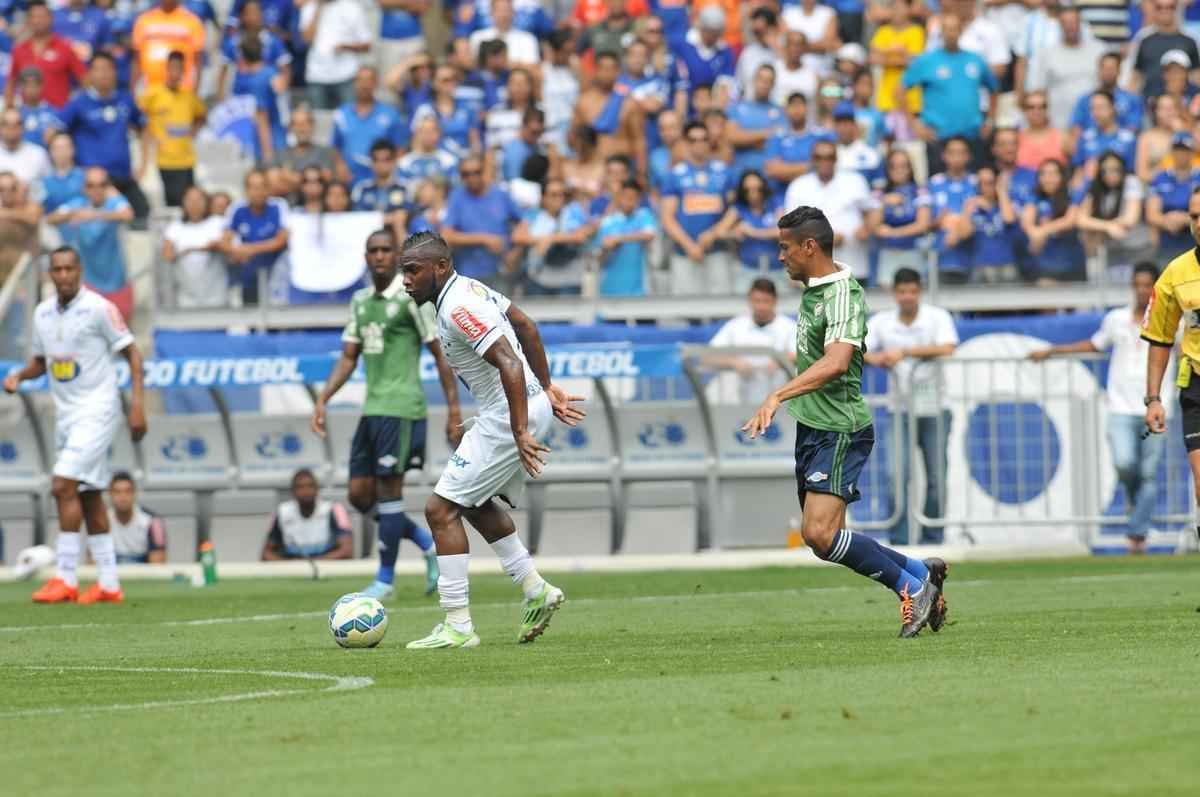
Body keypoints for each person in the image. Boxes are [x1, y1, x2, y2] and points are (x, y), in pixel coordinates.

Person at [741, 206, 945, 638]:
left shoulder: (843, 295)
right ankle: (918, 571)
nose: (780, 257)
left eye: (785, 248)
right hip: (814, 426)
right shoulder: (816, 291)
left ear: (809, 246)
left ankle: (912, 588)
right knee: (823, 539)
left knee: (819, 533)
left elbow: (836, 363)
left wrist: (778, 393)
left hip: (840, 426)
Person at [396, 230, 584, 649]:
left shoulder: (457, 307)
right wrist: (548, 388)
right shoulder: (469, 288)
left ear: (440, 267)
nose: (406, 280)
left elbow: (509, 362)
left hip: (508, 416)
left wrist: (518, 429)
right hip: (518, 408)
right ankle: (535, 589)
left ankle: (458, 626)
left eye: (412, 271)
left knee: (440, 510)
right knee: (474, 504)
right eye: (403, 272)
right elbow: (526, 325)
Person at [311, 228, 460, 594]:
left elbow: (440, 355)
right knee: (359, 495)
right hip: (372, 409)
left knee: (390, 493)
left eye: (385, 250)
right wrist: (323, 398)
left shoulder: (412, 299)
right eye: (372, 250)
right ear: (366, 258)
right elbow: (349, 357)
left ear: (395, 257)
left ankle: (385, 579)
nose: (378, 256)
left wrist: (453, 408)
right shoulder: (361, 302)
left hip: (403, 408)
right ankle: (425, 544)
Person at [3, 245, 146, 604]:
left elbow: (132, 352)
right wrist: (20, 375)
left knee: (63, 484)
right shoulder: (43, 314)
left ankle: (65, 577)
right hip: (66, 415)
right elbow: (42, 362)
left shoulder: (99, 308)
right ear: (50, 274)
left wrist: (138, 407)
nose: (64, 275)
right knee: (89, 495)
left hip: (97, 410)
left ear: (80, 270)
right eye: (58, 270)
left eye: (69, 269)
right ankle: (110, 584)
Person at [1034, 263, 1165, 554]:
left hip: (1156, 405)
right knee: (1124, 463)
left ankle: (1137, 534)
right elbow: (1094, 345)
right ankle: (1137, 513)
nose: (1142, 290)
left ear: (1156, 287)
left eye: (1148, 284)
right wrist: (1053, 351)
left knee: (1149, 473)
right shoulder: (1116, 319)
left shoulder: (1170, 317)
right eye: (1138, 284)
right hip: (1120, 405)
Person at [863, 268, 958, 545]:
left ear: (920, 292)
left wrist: (905, 352)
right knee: (896, 474)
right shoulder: (882, 321)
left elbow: (948, 348)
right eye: (902, 292)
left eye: (913, 291)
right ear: (895, 293)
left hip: (936, 406)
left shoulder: (937, 317)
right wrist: (877, 359)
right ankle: (900, 540)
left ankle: (932, 539)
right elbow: (859, 349)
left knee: (937, 478)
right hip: (899, 408)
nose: (907, 297)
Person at [1144, 191, 1200, 547]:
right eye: (1194, 216)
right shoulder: (1176, 274)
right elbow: (1159, 337)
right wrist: (1153, 398)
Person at [56, 52, 151, 223]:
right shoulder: (79, 103)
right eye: (98, 69)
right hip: (93, 182)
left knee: (142, 213)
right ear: (90, 74)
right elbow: (54, 132)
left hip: (123, 177)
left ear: (115, 72)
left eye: (108, 69)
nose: (103, 74)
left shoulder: (125, 100)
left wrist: (143, 165)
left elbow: (143, 127)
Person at [900, 12, 997, 175]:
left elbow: (994, 89)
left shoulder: (975, 60)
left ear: (961, 31)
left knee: (974, 186)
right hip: (938, 136)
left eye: (954, 29)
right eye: (946, 29)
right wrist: (914, 124)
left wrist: (990, 120)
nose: (950, 34)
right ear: (940, 33)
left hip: (971, 135)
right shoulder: (927, 61)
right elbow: (900, 90)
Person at [47, 167, 135, 319]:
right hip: (88, 285)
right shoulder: (77, 204)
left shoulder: (115, 202)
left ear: (108, 187)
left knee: (122, 335)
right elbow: (51, 219)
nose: (96, 190)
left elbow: (128, 215)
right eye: (91, 185)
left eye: (102, 184)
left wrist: (93, 215)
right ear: (84, 188)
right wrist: (73, 214)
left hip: (117, 282)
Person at [784, 139, 875, 284]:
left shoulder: (855, 180)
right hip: (813, 271)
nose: (824, 162)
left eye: (829, 157)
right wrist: (824, 241)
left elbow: (873, 210)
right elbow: (791, 229)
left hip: (853, 264)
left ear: (836, 159)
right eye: (819, 157)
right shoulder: (798, 186)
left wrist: (867, 228)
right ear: (812, 160)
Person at [661, 121, 732, 295]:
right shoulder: (674, 175)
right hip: (684, 254)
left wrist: (713, 234)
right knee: (685, 310)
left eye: (703, 139)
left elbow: (734, 211)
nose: (699, 144)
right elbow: (667, 218)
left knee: (720, 307)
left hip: (717, 252)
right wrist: (689, 246)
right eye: (693, 140)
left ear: (710, 142)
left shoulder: (724, 172)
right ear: (685, 143)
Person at [703, 277, 794, 406]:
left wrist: (782, 360)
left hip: (779, 401)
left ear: (775, 301)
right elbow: (707, 357)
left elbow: (803, 354)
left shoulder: (789, 326)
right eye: (757, 301)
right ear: (749, 300)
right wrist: (733, 362)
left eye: (766, 301)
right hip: (739, 402)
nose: (761, 306)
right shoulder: (735, 325)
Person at [441, 155, 522, 287]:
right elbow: (447, 236)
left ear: (484, 171)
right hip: (467, 277)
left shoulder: (501, 195)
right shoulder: (457, 198)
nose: (472, 177)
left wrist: (516, 251)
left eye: (476, 172)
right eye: (466, 174)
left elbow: (523, 223)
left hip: (500, 272)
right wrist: (484, 239)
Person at [139, 50, 205, 207]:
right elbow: (138, 118)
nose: (175, 73)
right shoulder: (152, 94)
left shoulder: (189, 96)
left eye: (179, 68)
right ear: (166, 69)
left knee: (188, 204)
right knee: (171, 204)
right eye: (172, 68)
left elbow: (201, 115)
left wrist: (194, 130)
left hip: (187, 160)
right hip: (164, 160)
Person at [572, 51, 645, 179]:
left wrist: (641, 173)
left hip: (622, 170)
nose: (607, 73)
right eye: (603, 68)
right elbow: (574, 138)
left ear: (619, 71)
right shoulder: (583, 102)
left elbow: (638, 140)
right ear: (595, 70)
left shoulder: (629, 103)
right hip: (593, 170)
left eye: (612, 68)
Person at [511, 177, 589, 296]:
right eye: (554, 195)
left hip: (569, 281)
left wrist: (549, 239)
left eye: (563, 195)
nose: (559, 199)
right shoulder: (534, 214)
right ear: (544, 198)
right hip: (539, 279)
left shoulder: (574, 211)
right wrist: (542, 241)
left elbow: (580, 236)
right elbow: (517, 236)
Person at [221, 168, 289, 305]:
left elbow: (282, 240)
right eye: (253, 187)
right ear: (246, 190)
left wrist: (250, 249)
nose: (258, 192)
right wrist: (236, 252)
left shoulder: (279, 205)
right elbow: (225, 241)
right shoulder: (237, 208)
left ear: (268, 189)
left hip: (276, 275)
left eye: (262, 187)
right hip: (248, 276)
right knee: (251, 317)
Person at [333, 67, 407, 187]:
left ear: (376, 83)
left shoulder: (390, 114)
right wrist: (340, 167)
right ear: (354, 83)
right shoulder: (342, 114)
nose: (364, 85)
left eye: (369, 80)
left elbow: (400, 148)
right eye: (361, 80)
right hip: (349, 180)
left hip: (380, 181)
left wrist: (390, 173)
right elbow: (336, 147)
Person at [261, 469, 354, 561]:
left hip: (327, 566)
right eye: (300, 487)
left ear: (317, 489)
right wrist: (290, 567)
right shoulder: (282, 512)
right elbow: (266, 554)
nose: (306, 491)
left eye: (310, 486)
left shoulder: (335, 510)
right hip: (293, 568)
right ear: (292, 491)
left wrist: (313, 565)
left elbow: (347, 551)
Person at [6, 1, 86, 108]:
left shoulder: (65, 48)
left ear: (51, 18)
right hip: (28, 117)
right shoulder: (19, 50)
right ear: (28, 20)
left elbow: (85, 80)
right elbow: (11, 83)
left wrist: (71, 111)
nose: (37, 21)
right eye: (34, 17)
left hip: (58, 116)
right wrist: (10, 108)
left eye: (42, 16)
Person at [713, 170, 784, 291]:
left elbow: (784, 232)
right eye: (748, 190)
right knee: (742, 307)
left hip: (776, 270)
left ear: (764, 187)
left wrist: (753, 232)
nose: (753, 194)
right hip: (748, 269)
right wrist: (735, 233)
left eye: (758, 189)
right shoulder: (740, 208)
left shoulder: (774, 204)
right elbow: (718, 232)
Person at [869, 148, 930, 288]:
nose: (899, 170)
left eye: (903, 166)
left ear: (910, 168)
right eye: (894, 166)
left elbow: (922, 224)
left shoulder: (920, 191)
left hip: (914, 252)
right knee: (887, 296)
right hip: (888, 254)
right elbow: (873, 227)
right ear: (887, 169)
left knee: (913, 293)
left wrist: (892, 232)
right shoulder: (879, 192)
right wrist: (884, 203)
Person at [1076, 151, 1146, 269]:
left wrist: (1100, 225)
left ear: (1123, 169)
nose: (1110, 174)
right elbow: (1080, 219)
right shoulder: (1096, 186)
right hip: (1109, 249)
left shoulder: (1131, 181)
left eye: (1115, 169)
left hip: (1135, 248)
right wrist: (1108, 226)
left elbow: (1130, 219)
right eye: (1105, 170)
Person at [299, 0, 371, 110]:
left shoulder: (352, 7)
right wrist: (318, 8)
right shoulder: (310, 7)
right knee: (319, 120)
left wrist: (346, 47)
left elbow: (367, 44)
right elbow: (307, 39)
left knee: (348, 118)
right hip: (317, 75)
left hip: (346, 75)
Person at [162, 185, 226, 307]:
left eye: (198, 200)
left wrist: (202, 248)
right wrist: (186, 252)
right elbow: (167, 254)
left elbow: (228, 246)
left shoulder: (218, 223)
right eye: (190, 200)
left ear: (206, 202)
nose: (194, 204)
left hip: (217, 296)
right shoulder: (175, 227)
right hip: (186, 298)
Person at [1021, 159, 1085, 283]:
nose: (1047, 178)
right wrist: (1034, 232)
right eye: (1043, 174)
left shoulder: (1072, 195)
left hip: (1072, 264)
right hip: (1044, 266)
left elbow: (1070, 220)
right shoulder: (1034, 197)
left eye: (1053, 174)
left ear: (1062, 176)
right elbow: (1027, 223)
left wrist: (1042, 230)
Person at [595, 178, 657, 297]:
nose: (629, 201)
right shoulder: (608, 222)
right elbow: (599, 256)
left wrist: (618, 238)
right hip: (611, 290)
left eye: (633, 197)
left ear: (639, 199)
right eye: (625, 196)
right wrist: (605, 249)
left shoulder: (644, 215)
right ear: (618, 197)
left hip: (641, 290)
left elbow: (649, 235)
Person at [930, 136, 978, 285]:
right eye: (952, 152)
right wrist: (937, 222)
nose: (957, 157)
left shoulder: (977, 183)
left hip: (972, 258)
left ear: (968, 156)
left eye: (961, 152)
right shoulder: (933, 183)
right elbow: (925, 222)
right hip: (941, 257)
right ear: (944, 156)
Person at [130, 0, 205, 92]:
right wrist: (133, 91)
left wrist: (195, 92)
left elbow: (198, 61)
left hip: (181, 93)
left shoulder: (193, 22)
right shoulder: (144, 20)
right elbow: (136, 60)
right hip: (149, 93)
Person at [1130, 0, 1199, 100]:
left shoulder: (1189, 40)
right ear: (1154, 9)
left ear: (1177, 9)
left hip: (1181, 103)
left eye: (1170, 7)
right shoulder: (1143, 38)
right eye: (1159, 7)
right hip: (1149, 102)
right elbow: (1136, 77)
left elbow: (1196, 76)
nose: (1165, 11)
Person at [1147, 132, 1200, 262]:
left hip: (1195, 239)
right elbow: (1151, 213)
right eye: (1177, 150)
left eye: (1185, 150)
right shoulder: (1160, 178)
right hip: (1167, 240)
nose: (1181, 154)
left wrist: (1184, 219)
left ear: (1193, 152)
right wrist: (1166, 221)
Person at [962, 165, 1019, 283]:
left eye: (990, 182)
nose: (985, 187)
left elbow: (1009, 219)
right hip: (980, 265)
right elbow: (964, 233)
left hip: (1006, 264)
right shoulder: (972, 206)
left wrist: (1002, 191)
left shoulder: (1007, 203)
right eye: (981, 183)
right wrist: (967, 212)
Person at [869, 0, 923, 116]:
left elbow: (913, 62)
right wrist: (900, 52)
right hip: (886, 98)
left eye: (899, 8)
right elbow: (873, 58)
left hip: (910, 99)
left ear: (908, 9)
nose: (896, 11)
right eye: (893, 7)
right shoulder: (883, 31)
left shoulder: (917, 32)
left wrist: (885, 53)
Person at [269, 105, 336, 195]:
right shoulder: (280, 154)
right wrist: (310, 179)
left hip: (317, 208)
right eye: (297, 125)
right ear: (291, 128)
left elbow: (327, 181)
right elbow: (273, 184)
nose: (301, 129)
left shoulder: (324, 152)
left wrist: (288, 177)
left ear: (312, 126)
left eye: (305, 124)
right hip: (289, 207)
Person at [350, 139, 409, 241]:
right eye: (376, 160)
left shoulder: (405, 187)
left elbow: (406, 215)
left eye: (386, 159)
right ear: (371, 162)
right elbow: (356, 217)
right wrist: (384, 219)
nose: (381, 164)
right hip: (366, 236)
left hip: (395, 237)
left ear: (394, 161)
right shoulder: (362, 188)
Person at [107, 471, 166, 564]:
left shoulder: (154, 522)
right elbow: (94, 565)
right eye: (117, 492)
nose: (123, 497)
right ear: (110, 494)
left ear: (135, 493)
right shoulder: (101, 521)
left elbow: (157, 565)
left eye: (127, 491)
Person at [396, 116, 459, 197]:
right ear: (417, 134)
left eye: (432, 131)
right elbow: (401, 192)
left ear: (439, 134)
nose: (428, 135)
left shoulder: (450, 162)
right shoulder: (404, 163)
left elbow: (453, 190)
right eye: (424, 131)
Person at [1016, 91, 1067, 170]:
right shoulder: (1016, 138)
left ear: (1048, 109)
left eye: (1042, 107)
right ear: (1024, 110)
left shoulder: (1062, 137)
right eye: (1031, 107)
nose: (1036, 111)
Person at [0, 108, 50, 187]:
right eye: (6, 124)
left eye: (17, 124)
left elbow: (48, 188)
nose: (12, 128)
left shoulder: (38, 154)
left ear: (23, 127)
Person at [37, 132, 84, 215]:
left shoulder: (86, 177)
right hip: (51, 225)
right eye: (57, 148)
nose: (62, 152)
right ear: (50, 152)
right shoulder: (42, 182)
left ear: (73, 149)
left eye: (66, 147)